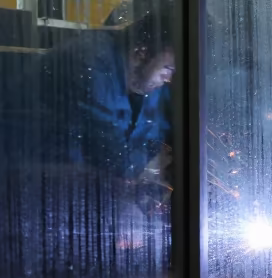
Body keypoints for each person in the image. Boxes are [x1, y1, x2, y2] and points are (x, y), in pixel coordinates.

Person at [37, 10, 176, 180]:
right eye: (167, 69)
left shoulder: (150, 84)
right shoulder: (90, 65)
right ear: (142, 53)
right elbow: (109, 159)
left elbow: (155, 138)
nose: (168, 79)